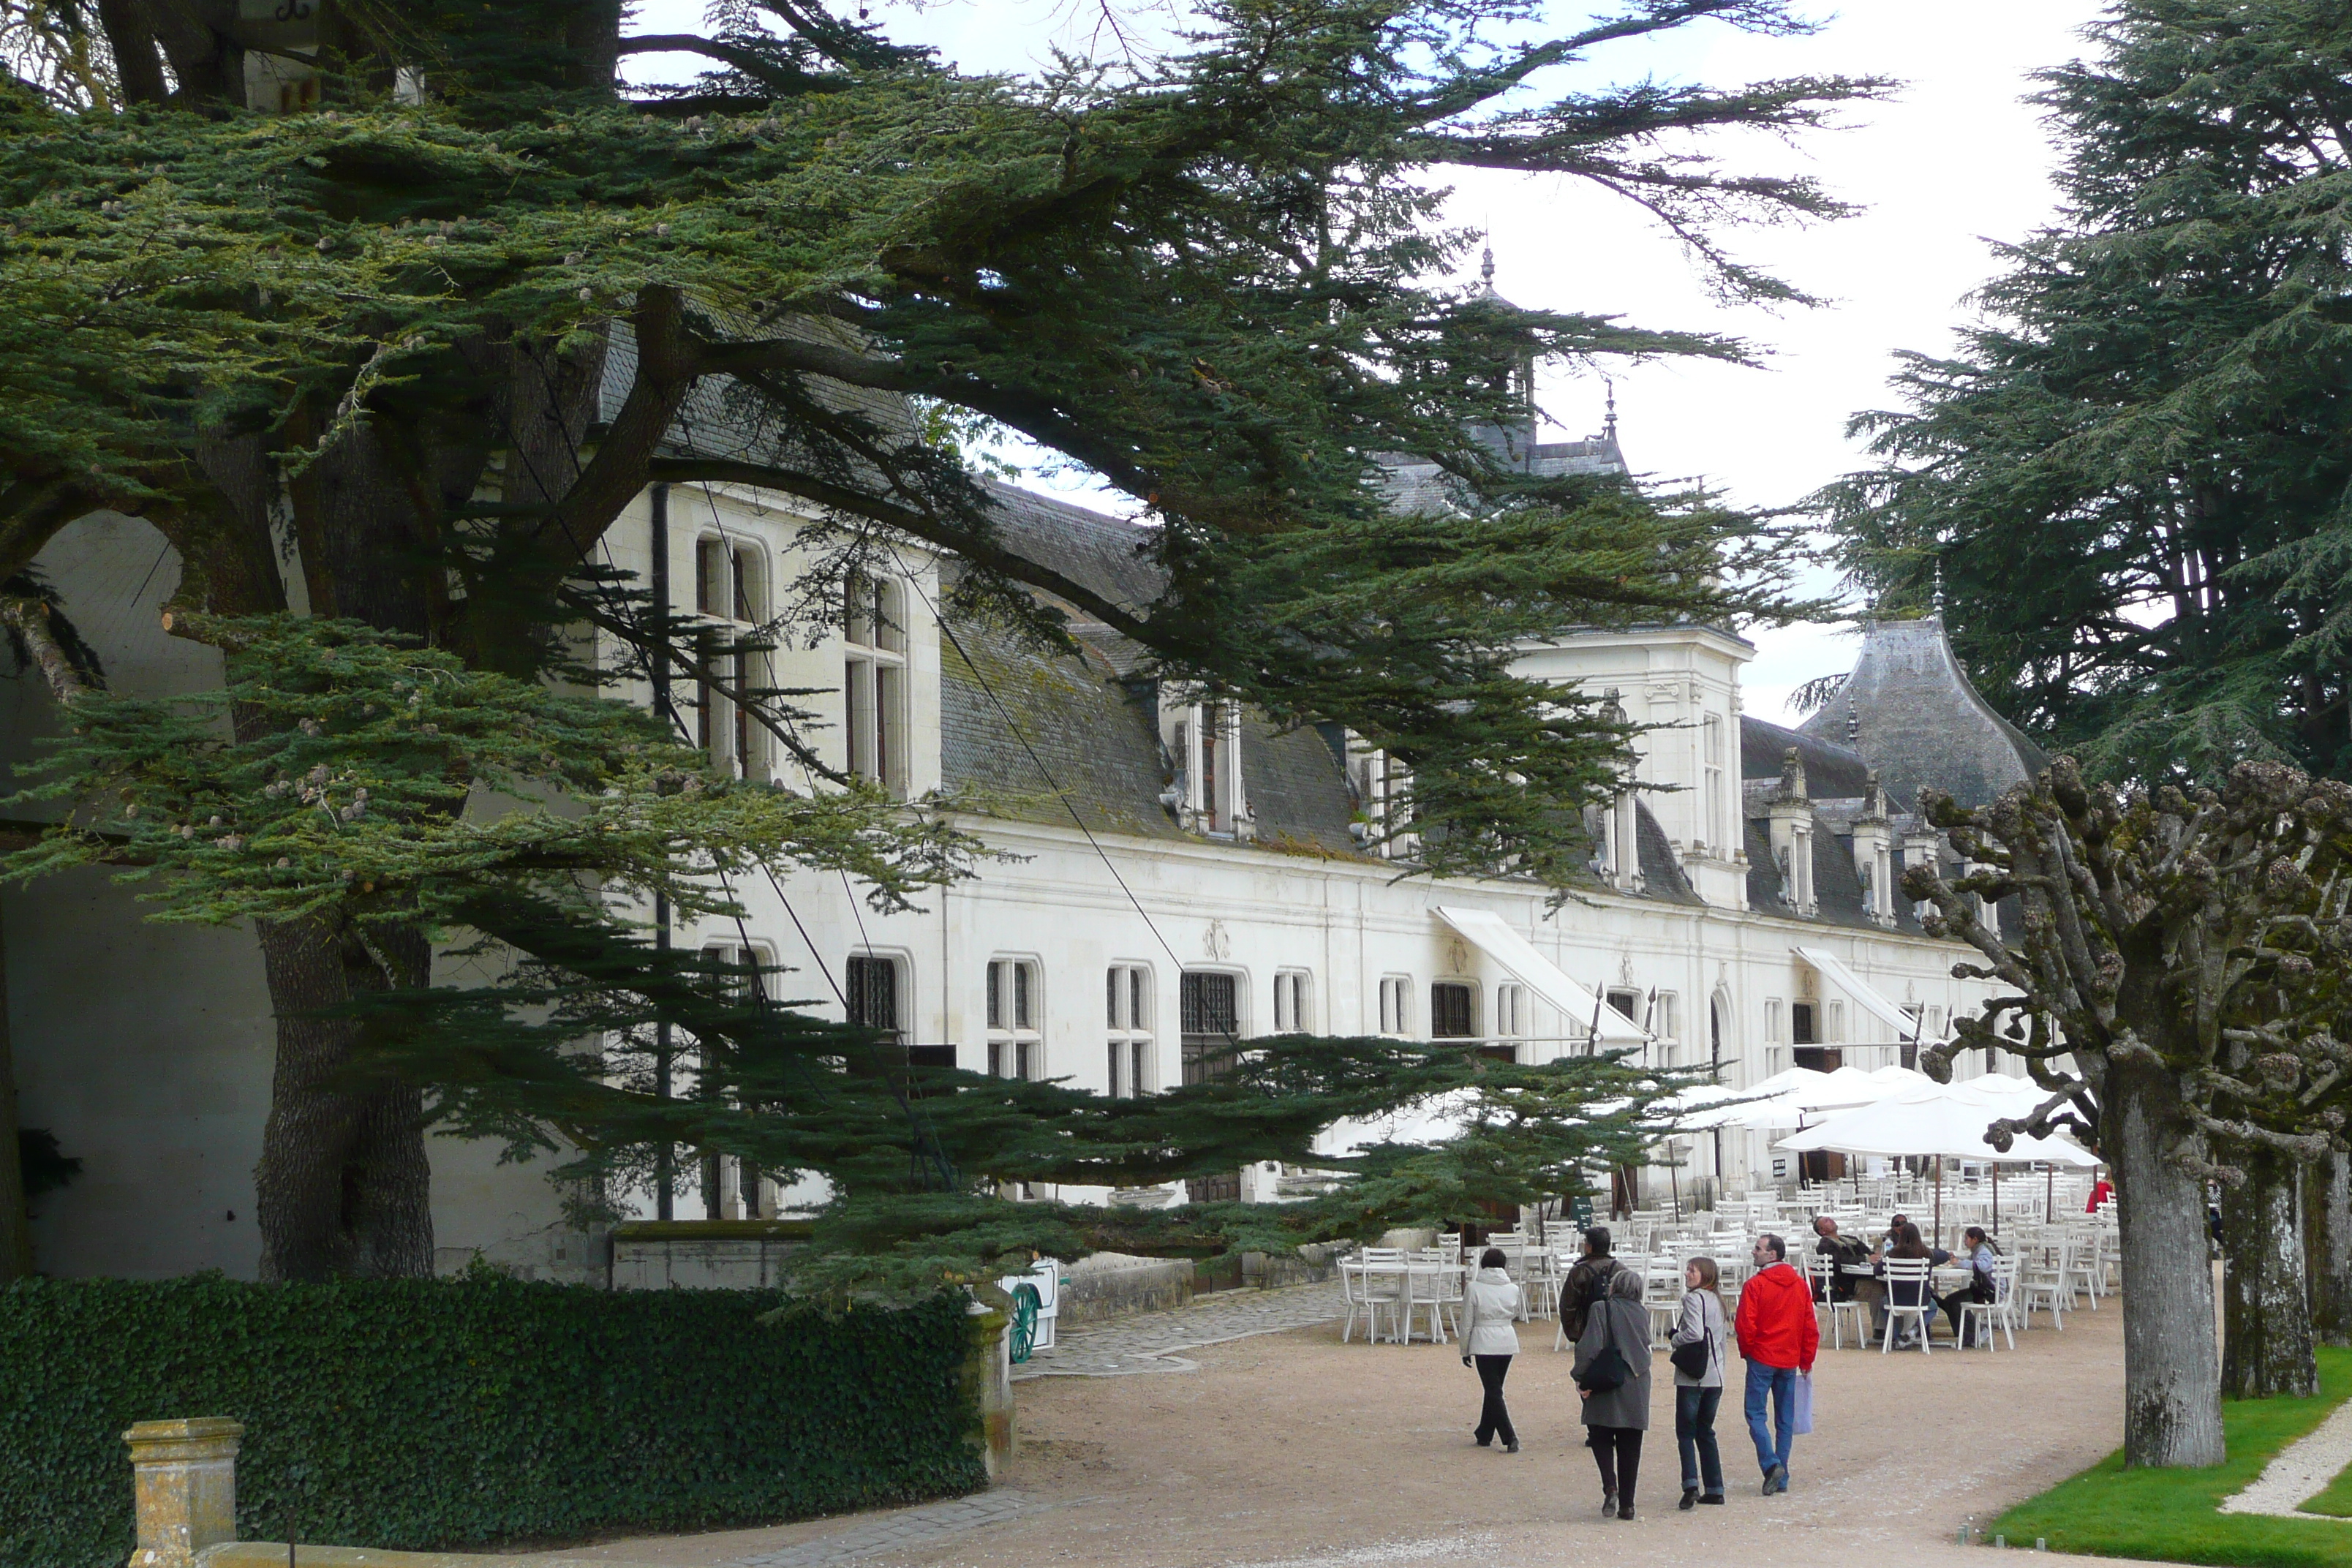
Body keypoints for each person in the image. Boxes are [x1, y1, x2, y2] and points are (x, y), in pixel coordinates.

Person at [1733, 1232, 1817, 1496]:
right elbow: (1808, 1325)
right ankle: (1781, 1474)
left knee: (1756, 1414)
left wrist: (1747, 1351)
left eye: (1758, 1249)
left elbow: (1745, 1324)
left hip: (1762, 1356)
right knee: (1785, 1419)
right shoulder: (1799, 1284)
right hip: (1789, 1357)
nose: (1754, 1252)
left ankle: (1771, 1465)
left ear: (1772, 1254)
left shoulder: (1755, 1285)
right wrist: (1806, 1358)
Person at [1574, 1265, 1653, 1520]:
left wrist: (1581, 1377)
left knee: (1600, 1435)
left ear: (1615, 1287)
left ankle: (1610, 1486)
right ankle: (1628, 1505)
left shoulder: (1601, 1308)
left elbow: (1590, 1347)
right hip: (1638, 1380)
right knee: (1631, 1445)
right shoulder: (1643, 1312)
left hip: (1607, 1378)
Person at [1670, 1255, 1727, 1509]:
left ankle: (1691, 1484)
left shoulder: (1693, 1299)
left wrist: (1675, 1339)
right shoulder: (1718, 1301)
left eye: (1691, 1271)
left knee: (1685, 1431)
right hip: (1715, 1375)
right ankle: (1715, 1487)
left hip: (1694, 1376)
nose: (1687, 1274)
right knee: (1706, 1432)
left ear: (1704, 1275)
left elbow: (1693, 1333)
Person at [1458, 1246, 1523, 1452]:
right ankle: (1484, 1432)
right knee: (1494, 1390)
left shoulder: (1474, 1288)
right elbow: (1517, 1312)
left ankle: (1509, 1436)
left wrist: (1464, 1349)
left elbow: (1467, 1321)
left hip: (1483, 1341)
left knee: (1493, 1391)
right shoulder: (1513, 1288)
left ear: (1482, 1265)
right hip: (1506, 1341)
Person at [1877, 1220, 1952, 1346]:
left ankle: (1897, 1337)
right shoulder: (1926, 1254)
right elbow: (1944, 1255)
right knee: (1933, 1307)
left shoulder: (1893, 1253)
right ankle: (1913, 1331)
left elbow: (1877, 1270)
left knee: (1883, 1305)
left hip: (1895, 1299)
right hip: (1920, 1299)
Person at [1939, 1225, 2000, 1345]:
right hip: (1983, 1289)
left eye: (1966, 1239)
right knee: (1950, 1300)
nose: (1965, 1241)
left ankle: (1978, 1330)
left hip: (1989, 1292)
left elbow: (1981, 1266)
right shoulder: (1978, 1250)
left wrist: (1960, 1263)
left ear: (1975, 1239)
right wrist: (1957, 1259)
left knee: (1956, 1302)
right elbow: (1971, 1261)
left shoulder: (1984, 1251)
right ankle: (1966, 1334)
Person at [1562, 1225, 1621, 1343]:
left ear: (1589, 1247)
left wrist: (1575, 1334)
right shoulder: (1620, 1269)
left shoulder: (1579, 1271)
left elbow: (1567, 1305)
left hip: (1587, 1330)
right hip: (1617, 1331)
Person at [1811, 1215, 1868, 1301]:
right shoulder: (1825, 1245)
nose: (1831, 1220)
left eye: (1830, 1218)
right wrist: (1866, 1259)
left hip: (1864, 1276)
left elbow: (1868, 1253)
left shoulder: (1850, 1239)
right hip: (1845, 1286)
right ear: (1822, 1231)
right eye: (1827, 1221)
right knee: (1877, 1288)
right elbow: (1841, 1261)